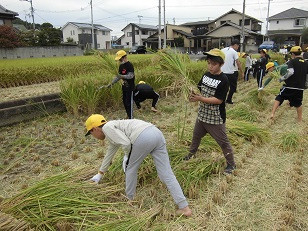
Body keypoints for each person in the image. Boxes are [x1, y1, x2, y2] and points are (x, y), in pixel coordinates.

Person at [85, 114, 192, 216]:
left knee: (130, 168)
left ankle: (130, 200)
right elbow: (110, 152)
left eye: (91, 133)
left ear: (94, 129)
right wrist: (100, 173)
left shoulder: (107, 127)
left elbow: (126, 144)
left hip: (142, 136)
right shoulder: (113, 127)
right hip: (156, 132)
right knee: (166, 174)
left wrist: (127, 157)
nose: (93, 136)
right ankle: (184, 207)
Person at [183, 48, 236, 175]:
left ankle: (231, 164)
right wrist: (191, 93)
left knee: (223, 142)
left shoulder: (224, 80)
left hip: (215, 118)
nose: (210, 66)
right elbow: (198, 88)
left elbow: (219, 100)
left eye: (214, 64)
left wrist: (200, 98)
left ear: (221, 64)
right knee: (196, 137)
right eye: (209, 63)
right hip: (202, 115)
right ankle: (191, 154)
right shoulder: (206, 75)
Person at [270, 46, 308, 122]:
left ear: (293, 54)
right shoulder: (306, 63)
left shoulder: (292, 61)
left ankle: (272, 114)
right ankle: (300, 120)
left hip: (290, 85)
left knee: (279, 97)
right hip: (300, 87)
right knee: (298, 103)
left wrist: (282, 78)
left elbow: (291, 72)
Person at [105, 50, 135, 119]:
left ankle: (131, 117)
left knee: (129, 102)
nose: (120, 61)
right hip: (124, 87)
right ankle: (128, 115)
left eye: (120, 59)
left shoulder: (129, 65)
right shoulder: (121, 66)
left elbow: (130, 76)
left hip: (130, 87)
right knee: (124, 102)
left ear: (124, 57)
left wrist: (121, 76)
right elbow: (118, 76)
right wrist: (111, 83)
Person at [221, 39, 244, 104]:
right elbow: (238, 62)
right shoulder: (234, 52)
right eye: (238, 46)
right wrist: (242, 72)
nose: (238, 47)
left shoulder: (222, 50)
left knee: (224, 87)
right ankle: (228, 99)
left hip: (222, 72)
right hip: (231, 73)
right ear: (235, 45)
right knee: (233, 87)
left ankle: (222, 100)